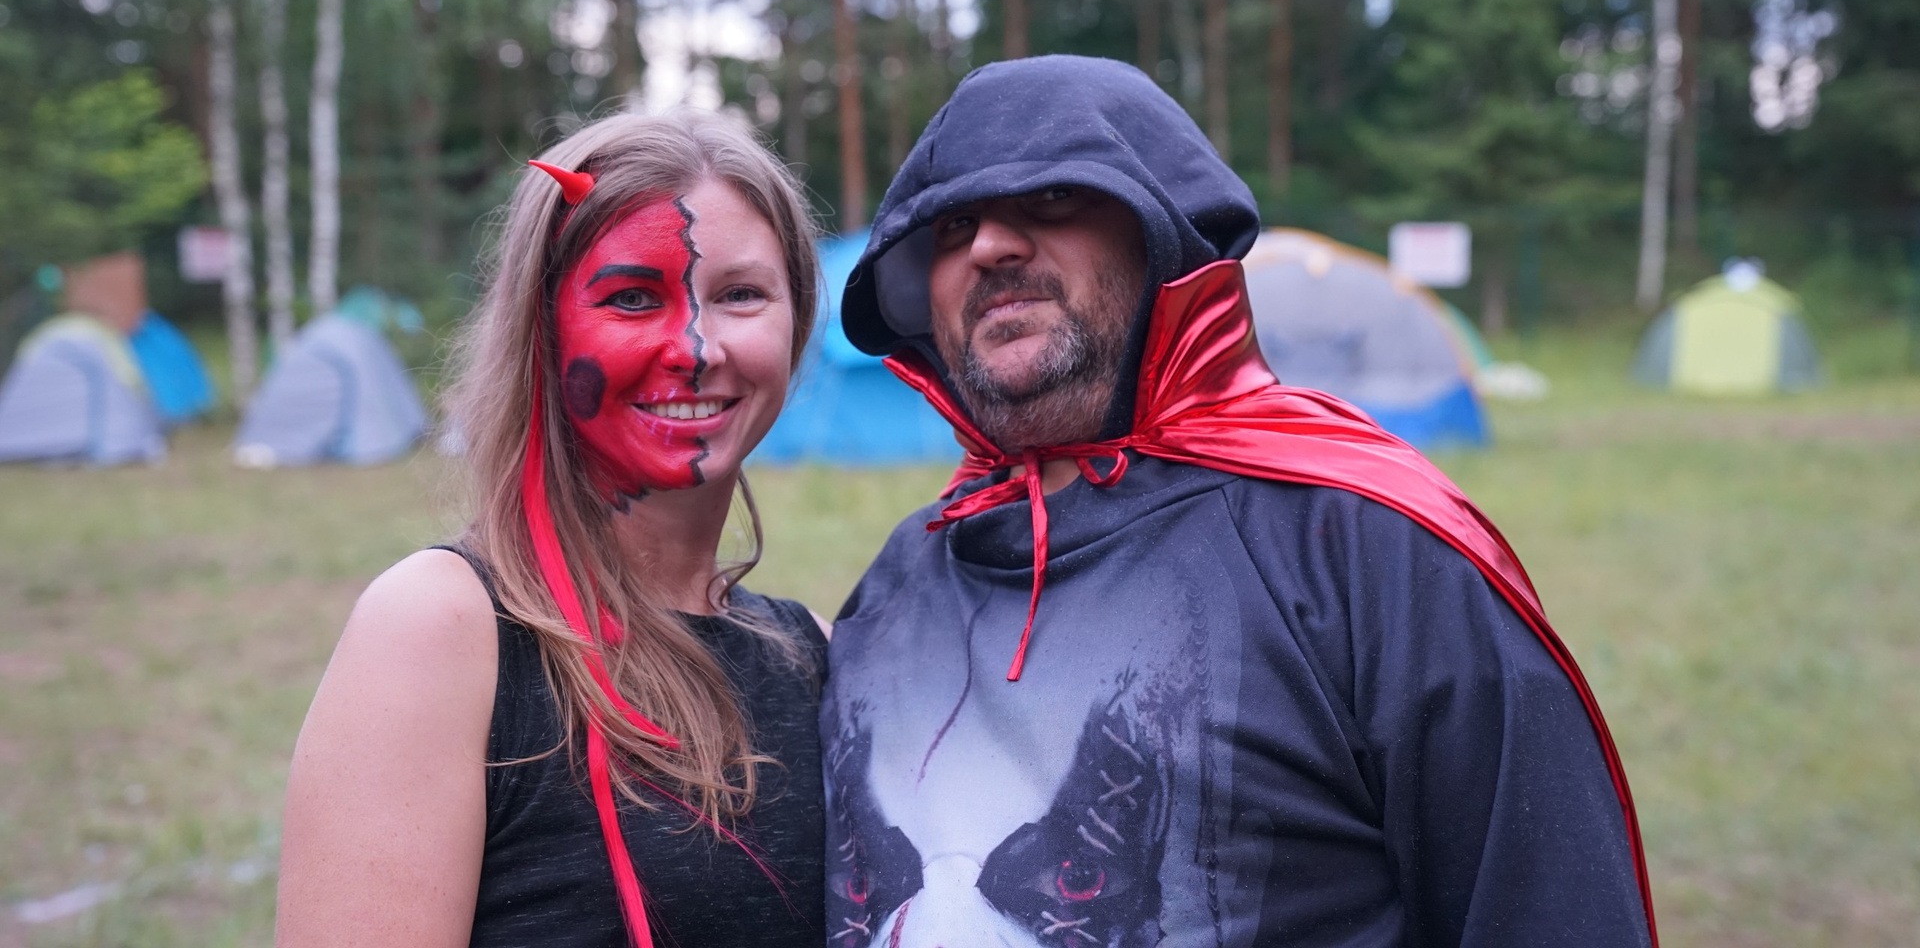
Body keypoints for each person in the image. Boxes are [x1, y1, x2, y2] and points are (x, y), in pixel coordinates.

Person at [820, 56, 1657, 947]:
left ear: (1166, 238)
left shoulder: (1368, 555)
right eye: (952, 225)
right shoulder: (900, 582)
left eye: (1053, 198)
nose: (989, 245)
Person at [277, 110, 829, 948]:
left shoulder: (817, 657)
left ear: (797, 320)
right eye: (632, 298)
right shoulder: (443, 631)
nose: (696, 347)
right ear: (541, 331)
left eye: (741, 295)